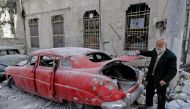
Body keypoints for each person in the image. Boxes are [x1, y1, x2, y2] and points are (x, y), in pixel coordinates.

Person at [137, 37, 177, 109]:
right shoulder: (155, 51)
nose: (158, 47)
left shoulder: (171, 56)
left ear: (165, 45)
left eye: (160, 45)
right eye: (157, 45)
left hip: (161, 79)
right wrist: (140, 52)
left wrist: (165, 80)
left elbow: (173, 71)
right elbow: (149, 53)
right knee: (149, 92)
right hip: (151, 77)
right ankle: (148, 104)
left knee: (160, 95)